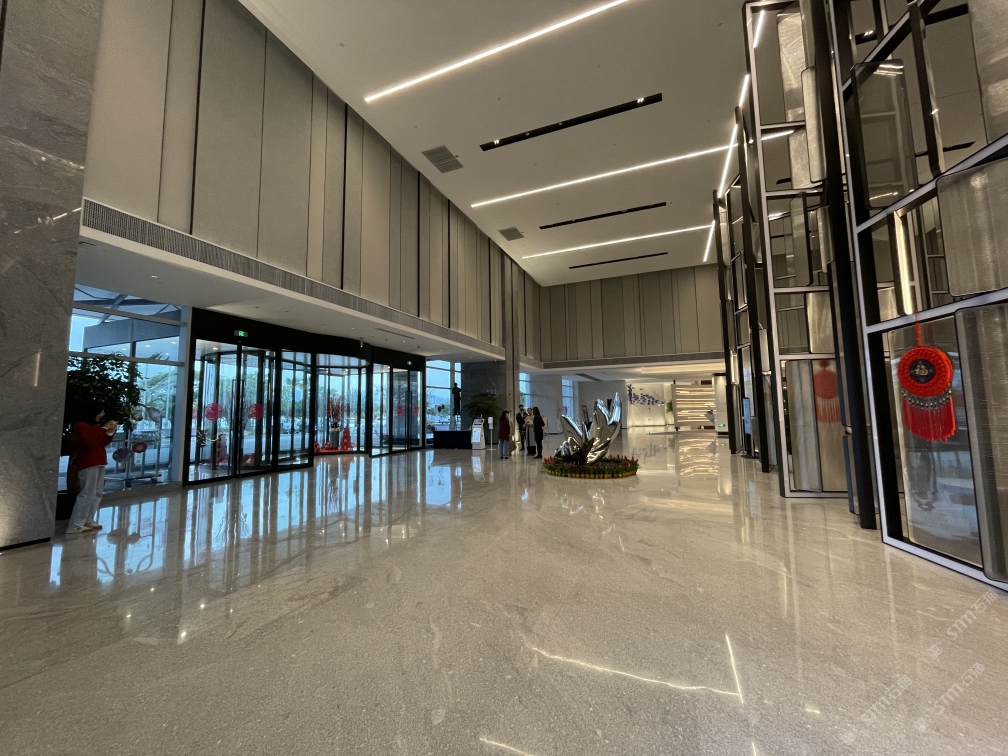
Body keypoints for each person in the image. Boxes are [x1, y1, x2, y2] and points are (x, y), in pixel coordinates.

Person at [66, 405, 118, 534]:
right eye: (100, 412)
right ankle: (75, 524)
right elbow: (91, 442)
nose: (102, 415)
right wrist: (104, 429)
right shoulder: (81, 426)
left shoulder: (95, 427)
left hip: (99, 461)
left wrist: (109, 432)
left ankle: (88, 520)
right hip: (88, 462)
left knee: (97, 493)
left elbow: (101, 442)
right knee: (87, 493)